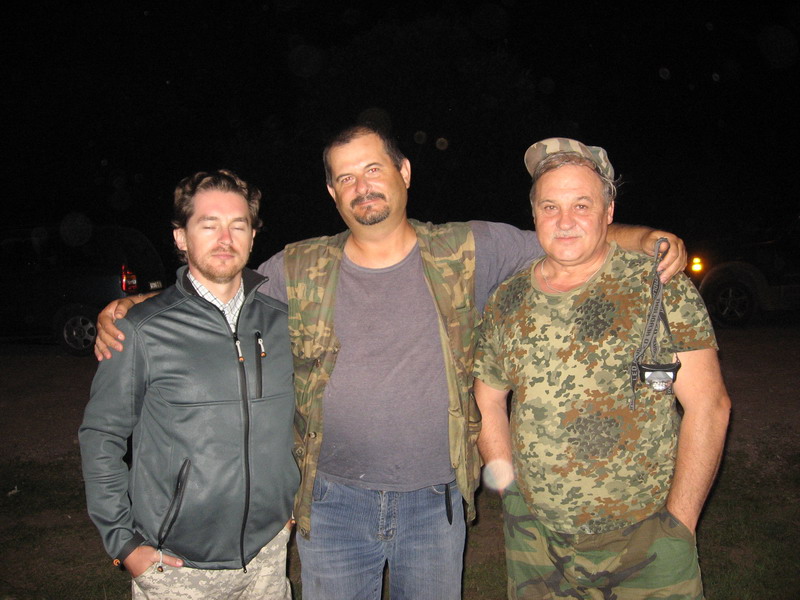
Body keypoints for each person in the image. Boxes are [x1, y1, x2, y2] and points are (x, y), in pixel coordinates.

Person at [94, 125, 687, 600]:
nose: (362, 186)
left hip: (435, 504)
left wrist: (647, 238)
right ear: (333, 193)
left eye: (373, 169)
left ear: (404, 173)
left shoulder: (466, 249)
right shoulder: (299, 267)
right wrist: (132, 306)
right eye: (345, 177)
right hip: (331, 505)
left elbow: (565, 235)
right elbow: (219, 285)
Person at [473, 138, 731, 599]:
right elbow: (488, 398)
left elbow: (709, 407)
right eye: (550, 206)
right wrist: (510, 494)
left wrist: (679, 523)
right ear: (533, 214)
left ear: (608, 212)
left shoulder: (658, 286)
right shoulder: (506, 300)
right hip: (537, 543)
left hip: (646, 540)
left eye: (581, 205)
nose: (564, 221)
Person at [79, 170, 299, 599]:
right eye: (208, 224)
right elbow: (101, 435)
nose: (225, 238)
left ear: (253, 236)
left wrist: (288, 503)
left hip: (269, 557)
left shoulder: (282, 323)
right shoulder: (142, 330)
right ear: (181, 237)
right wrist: (124, 544)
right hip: (176, 566)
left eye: (238, 225)